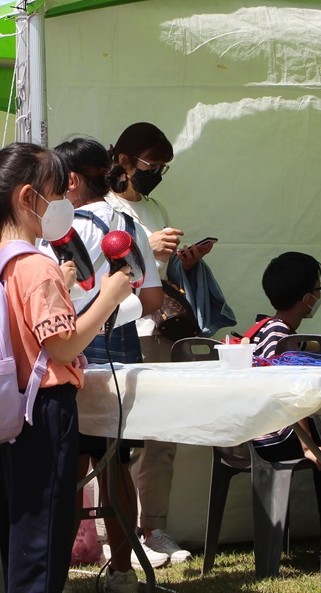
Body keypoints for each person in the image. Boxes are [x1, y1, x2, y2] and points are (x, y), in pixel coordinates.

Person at [0, 142, 133, 593]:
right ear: (28, 198)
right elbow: (62, 347)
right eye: (55, 193)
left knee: (8, 534)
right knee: (42, 538)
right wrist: (109, 296)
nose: (62, 204)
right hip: (43, 412)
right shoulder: (35, 264)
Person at [53, 137, 164, 588]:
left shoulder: (58, 230)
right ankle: (122, 572)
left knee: (70, 466)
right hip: (122, 349)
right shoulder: (130, 223)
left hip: (72, 348)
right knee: (117, 465)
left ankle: (53, 571)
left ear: (72, 180)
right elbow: (153, 297)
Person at [104, 122, 195, 565]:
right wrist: (148, 246)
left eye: (163, 167)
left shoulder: (155, 205)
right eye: (151, 165)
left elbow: (159, 269)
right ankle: (113, 532)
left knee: (162, 433)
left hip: (159, 327)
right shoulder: (102, 206)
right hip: (122, 330)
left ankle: (153, 527)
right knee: (118, 438)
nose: (157, 173)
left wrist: (179, 258)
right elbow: (103, 270)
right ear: (123, 160)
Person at [248, 253, 321, 466]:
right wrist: (307, 446)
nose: (319, 298)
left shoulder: (266, 327)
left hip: (254, 432)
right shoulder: (280, 335)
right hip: (274, 435)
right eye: (318, 290)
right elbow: (288, 391)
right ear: (306, 298)